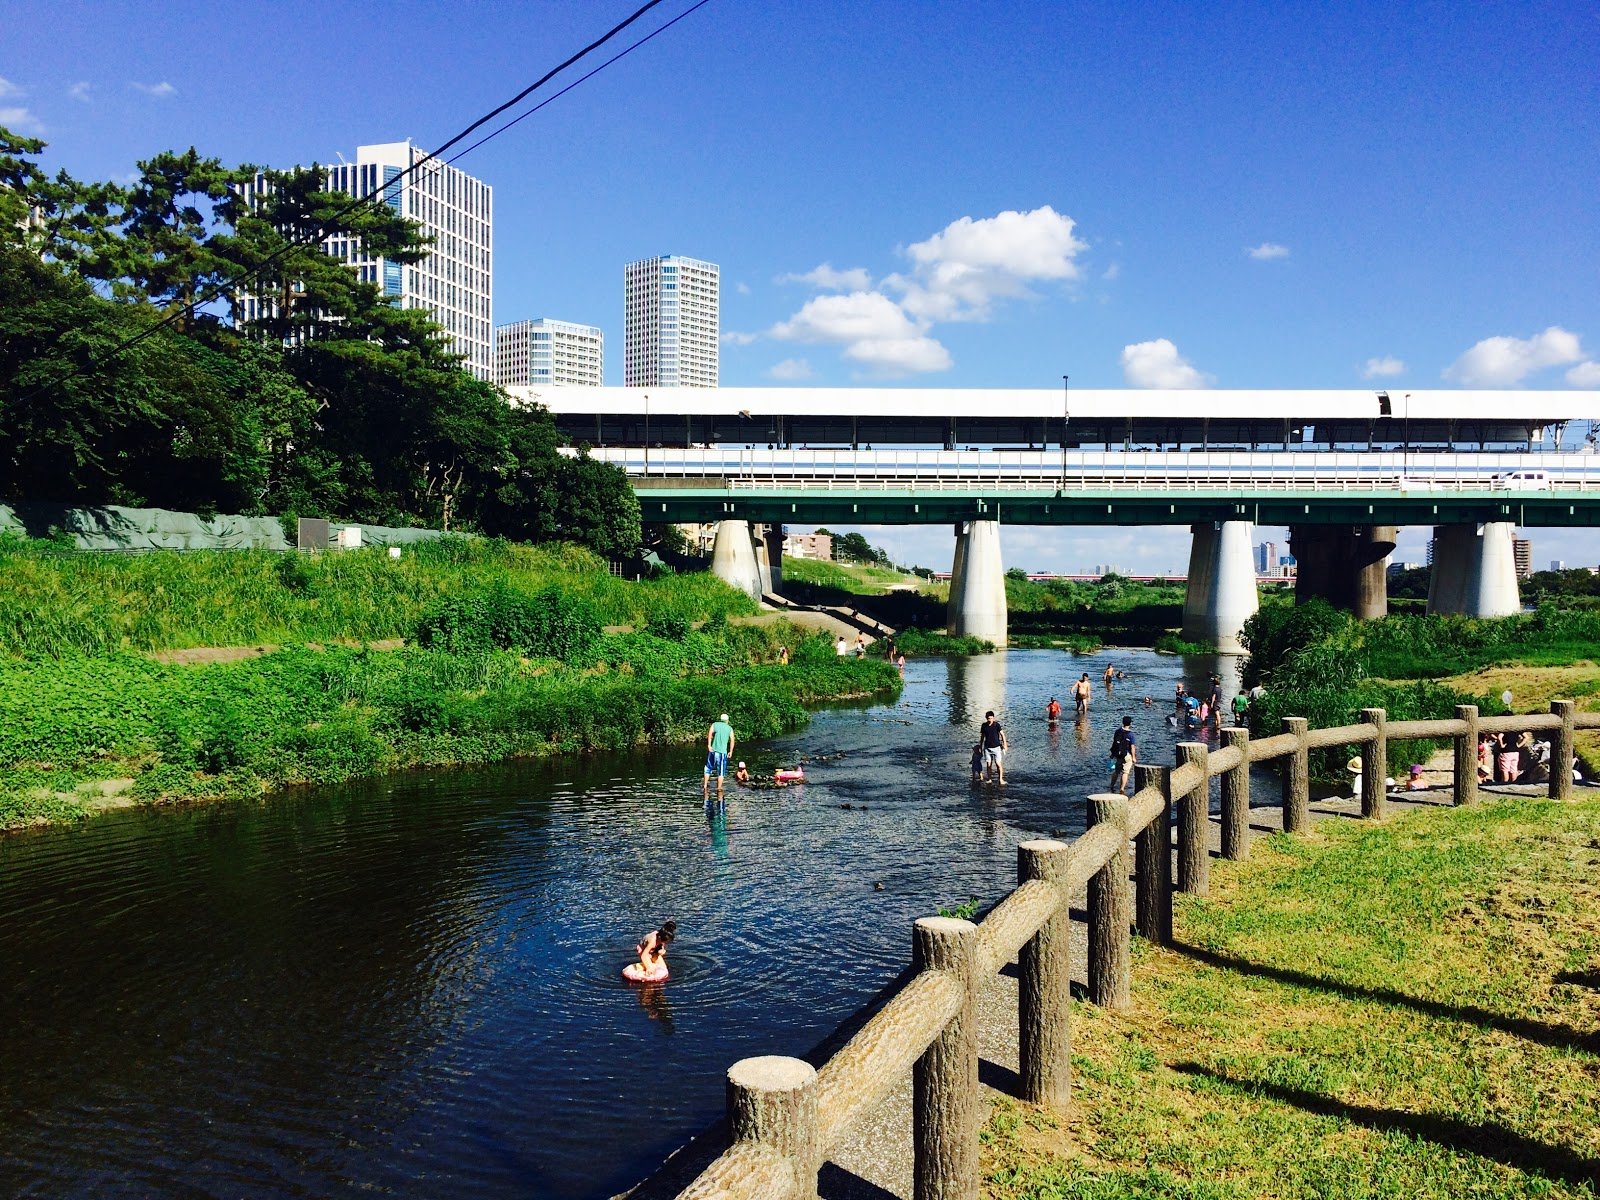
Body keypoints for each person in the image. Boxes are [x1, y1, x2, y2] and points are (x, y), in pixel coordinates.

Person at [704, 713, 736, 798]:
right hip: (722, 752)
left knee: (708, 767)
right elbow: (732, 740)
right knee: (721, 771)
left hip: (713, 750)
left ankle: (705, 786)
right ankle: (719, 788)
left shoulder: (714, 724)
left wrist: (709, 745)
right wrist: (731, 751)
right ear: (727, 720)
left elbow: (710, 734)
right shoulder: (729, 728)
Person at [978, 710, 1008, 785]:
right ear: (986, 718)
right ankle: (989, 779)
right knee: (989, 764)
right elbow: (982, 737)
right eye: (988, 718)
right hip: (987, 748)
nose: (990, 720)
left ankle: (1001, 779)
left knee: (998, 764)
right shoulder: (984, 726)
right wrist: (980, 747)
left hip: (997, 747)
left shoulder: (996, 725)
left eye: (991, 718)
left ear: (993, 718)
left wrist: (1005, 745)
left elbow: (1002, 735)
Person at [1109, 716, 1137, 794]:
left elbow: (1114, 743)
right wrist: (1134, 757)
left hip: (1119, 754)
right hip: (1127, 755)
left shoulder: (1117, 731)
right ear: (1130, 723)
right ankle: (1122, 789)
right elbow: (1132, 747)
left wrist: (1112, 754)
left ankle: (1111, 786)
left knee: (1116, 771)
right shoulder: (1131, 734)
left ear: (1123, 722)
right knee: (1125, 772)